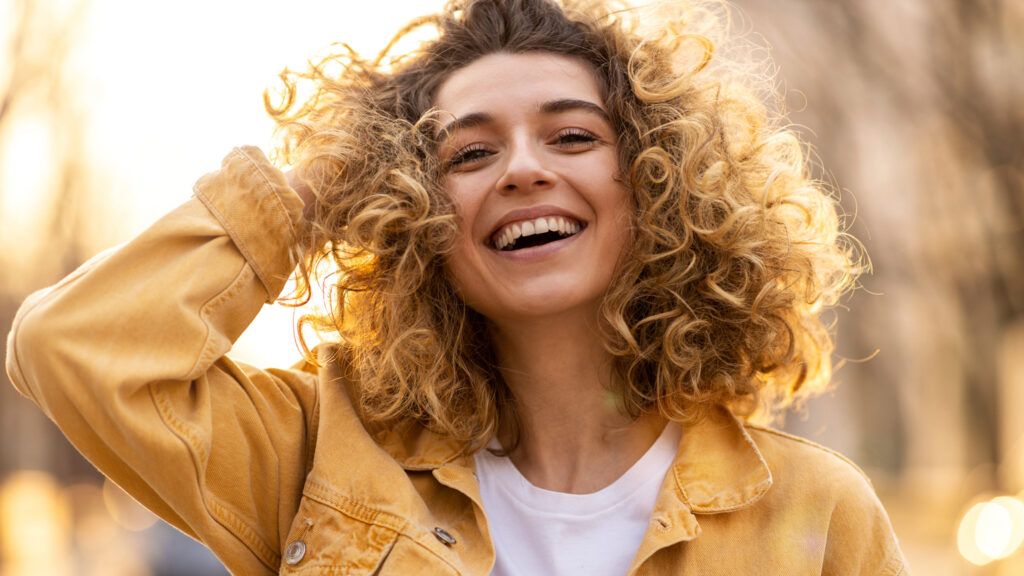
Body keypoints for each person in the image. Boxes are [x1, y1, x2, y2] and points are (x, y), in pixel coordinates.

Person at [5, 0, 909, 574]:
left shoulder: (814, 513)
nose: (522, 170)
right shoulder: (316, 456)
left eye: (573, 137)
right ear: (416, 213)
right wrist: (317, 190)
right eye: (469, 154)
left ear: (661, 186)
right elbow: (70, 348)